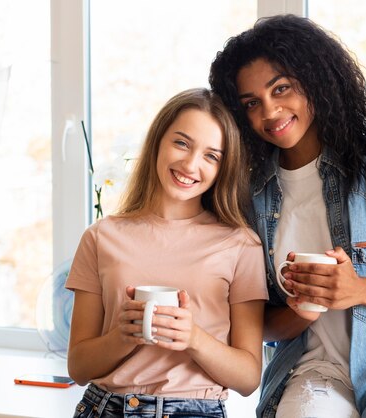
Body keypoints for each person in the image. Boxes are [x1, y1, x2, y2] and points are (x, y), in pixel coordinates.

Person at [209, 14, 366, 418]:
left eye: (282, 89)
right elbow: (260, 326)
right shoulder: (247, 195)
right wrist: (299, 310)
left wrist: (356, 289)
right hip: (311, 369)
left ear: (315, 81)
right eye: (252, 104)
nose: (270, 112)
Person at [65, 88, 268, 418]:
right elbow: (78, 367)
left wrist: (193, 338)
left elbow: (247, 378)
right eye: (182, 143)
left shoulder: (241, 244)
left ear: (223, 168)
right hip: (106, 408)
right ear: (158, 141)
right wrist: (123, 337)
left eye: (211, 156)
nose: (190, 164)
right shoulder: (101, 236)